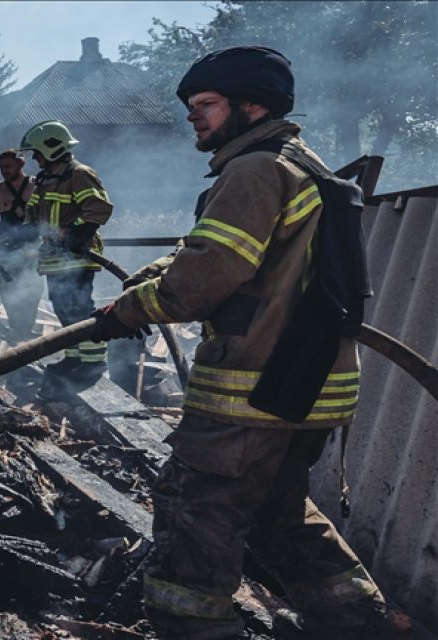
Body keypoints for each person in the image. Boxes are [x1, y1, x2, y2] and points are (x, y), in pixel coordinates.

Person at [90, 46, 399, 639]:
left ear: (251, 105)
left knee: (195, 513)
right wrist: (157, 275)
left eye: (204, 104)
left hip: (249, 392)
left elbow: (206, 279)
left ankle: (194, 630)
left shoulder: (254, 170)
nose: (192, 117)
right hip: (304, 388)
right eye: (190, 106)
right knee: (278, 515)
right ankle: (362, 623)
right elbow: (229, 256)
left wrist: (129, 310)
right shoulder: (301, 163)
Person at [20, 120, 113, 397]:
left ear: (51, 148)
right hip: (53, 257)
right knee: (62, 307)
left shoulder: (79, 174)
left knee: (79, 307)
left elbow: (98, 210)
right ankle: (75, 356)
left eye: (36, 153)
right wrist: (19, 235)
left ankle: (94, 361)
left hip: (77, 256)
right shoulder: (46, 179)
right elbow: (34, 213)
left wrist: (74, 235)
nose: (34, 158)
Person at [0, 149, 42, 344]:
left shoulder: (36, 186)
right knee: (6, 289)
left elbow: (47, 215)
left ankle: (26, 328)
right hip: (4, 247)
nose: (4, 171)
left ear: (21, 164)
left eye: (8, 166)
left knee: (32, 288)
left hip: (31, 246)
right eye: (1, 167)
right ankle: (16, 327)